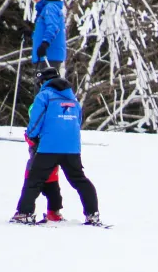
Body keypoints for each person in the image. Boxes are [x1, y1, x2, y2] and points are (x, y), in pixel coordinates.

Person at [12, 67, 103, 225]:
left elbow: (36, 120)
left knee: (35, 180)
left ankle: (24, 213)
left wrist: (31, 135)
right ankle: (92, 213)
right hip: (72, 148)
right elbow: (78, 121)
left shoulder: (44, 95)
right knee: (80, 180)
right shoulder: (73, 98)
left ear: (43, 81)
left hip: (49, 146)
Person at [28, 0, 67, 74]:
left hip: (49, 55)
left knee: (45, 85)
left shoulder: (50, 7)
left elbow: (53, 27)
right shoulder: (46, 9)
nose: (35, 0)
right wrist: (31, 34)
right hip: (44, 55)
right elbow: (45, 31)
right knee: (41, 85)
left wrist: (45, 44)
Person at [24, 134, 65, 221]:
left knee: (54, 194)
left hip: (52, 169)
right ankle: (24, 212)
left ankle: (53, 212)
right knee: (30, 192)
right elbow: (30, 134)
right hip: (35, 168)